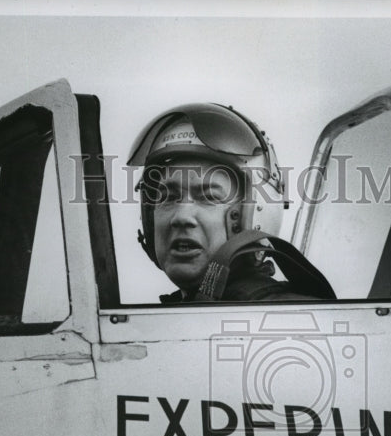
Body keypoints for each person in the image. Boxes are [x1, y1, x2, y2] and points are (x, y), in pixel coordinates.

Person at [127, 104, 335, 303]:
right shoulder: (171, 318)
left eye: (209, 197)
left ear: (252, 215)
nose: (181, 217)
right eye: (168, 197)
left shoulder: (288, 321)